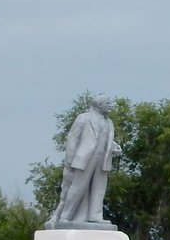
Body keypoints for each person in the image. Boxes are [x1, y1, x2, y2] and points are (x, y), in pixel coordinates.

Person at [47, 95, 121, 227]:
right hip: (85, 157)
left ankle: (95, 215)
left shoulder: (109, 122)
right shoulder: (84, 118)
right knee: (78, 187)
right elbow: (73, 138)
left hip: (102, 158)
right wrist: (70, 159)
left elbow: (105, 137)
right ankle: (66, 216)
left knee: (99, 188)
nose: (111, 105)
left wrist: (114, 147)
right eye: (107, 103)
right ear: (99, 104)